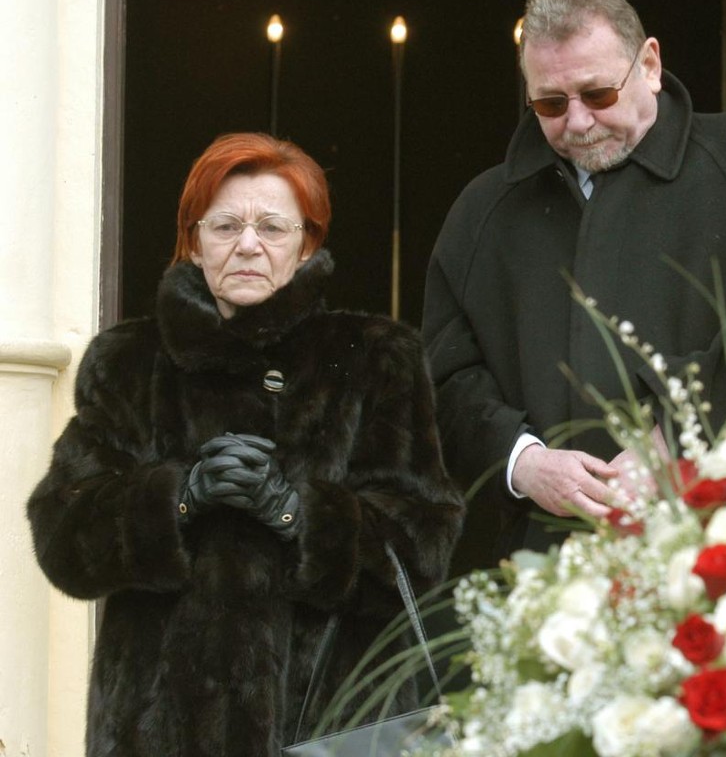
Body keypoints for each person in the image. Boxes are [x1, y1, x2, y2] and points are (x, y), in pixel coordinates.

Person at [26, 133, 464, 756]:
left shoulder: (373, 359)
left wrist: (297, 512)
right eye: (226, 225)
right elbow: (63, 535)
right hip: (157, 731)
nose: (249, 245)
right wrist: (178, 499)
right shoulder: (129, 363)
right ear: (194, 240)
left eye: (273, 227)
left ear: (307, 244)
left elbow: (424, 544)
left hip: (327, 727)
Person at [424, 0, 726, 574]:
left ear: (651, 65)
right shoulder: (484, 209)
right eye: (550, 104)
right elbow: (443, 375)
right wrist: (524, 461)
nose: (578, 122)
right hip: (548, 561)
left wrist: (672, 443)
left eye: (598, 94)